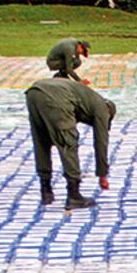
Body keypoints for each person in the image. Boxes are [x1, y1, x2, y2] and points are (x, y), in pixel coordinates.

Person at [25, 77, 116, 210]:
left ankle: (46, 191)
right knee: (68, 143)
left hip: (34, 92)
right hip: (56, 97)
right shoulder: (102, 109)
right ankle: (74, 195)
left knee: (41, 141)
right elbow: (101, 142)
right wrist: (102, 174)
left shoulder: (89, 98)